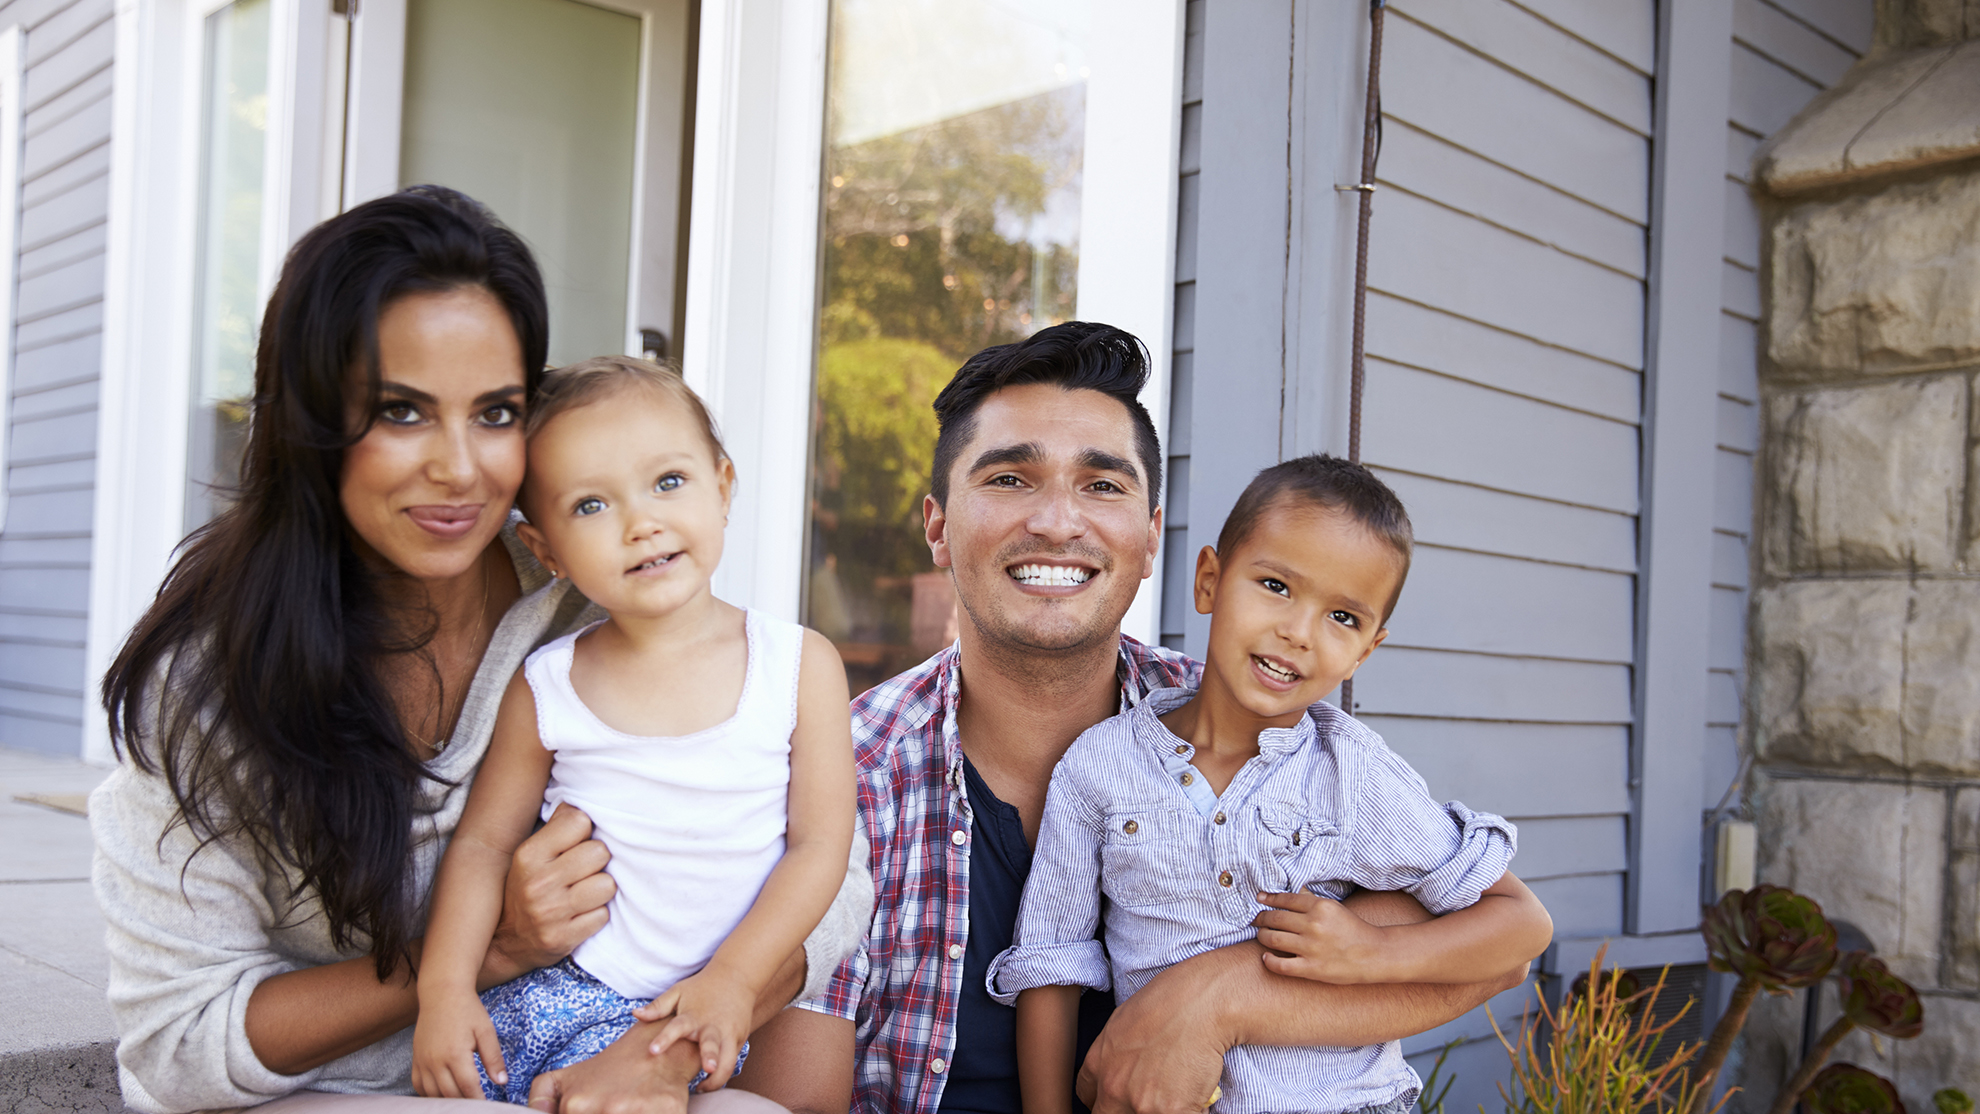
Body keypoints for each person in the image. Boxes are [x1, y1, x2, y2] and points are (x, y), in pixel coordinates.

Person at [89, 187, 870, 1114]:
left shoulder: (603, 601)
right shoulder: (209, 685)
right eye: (402, 412)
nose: (460, 467)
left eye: (495, 413)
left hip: (595, 1048)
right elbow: (178, 1045)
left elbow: (834, 875)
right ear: (311, 425)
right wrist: (487, 950)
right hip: (330, 1087)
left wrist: (666, 1051)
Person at [741, 321, 1534, 1114]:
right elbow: (797, 1098)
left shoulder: (1277, 730)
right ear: (939, 527)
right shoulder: (848, 775)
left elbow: (1497, 948)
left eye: (1104, 485)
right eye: (1010, 478)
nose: (1057, 521)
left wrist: (1223, 995)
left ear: (1152, 537)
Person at [991, 455, 1555, 1114]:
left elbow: (1521, 925)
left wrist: (1373, 949)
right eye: (1276, 586)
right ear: (1210, 580)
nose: (1298, 632)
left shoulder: (1351, 774)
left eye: (1343, 618)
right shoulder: (1099, 768)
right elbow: (1050, 963)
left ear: (1368, 648)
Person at [411, 357, 855, 1104]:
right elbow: (483, 844)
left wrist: (733, 981)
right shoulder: (547, 683)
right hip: (565, 997)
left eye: (669, 482)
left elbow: (821, 847)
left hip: (728, 997)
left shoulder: (799, 664)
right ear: (545, 550)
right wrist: (444, 991)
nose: (641, 522)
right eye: (590, 506)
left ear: (722, 485)